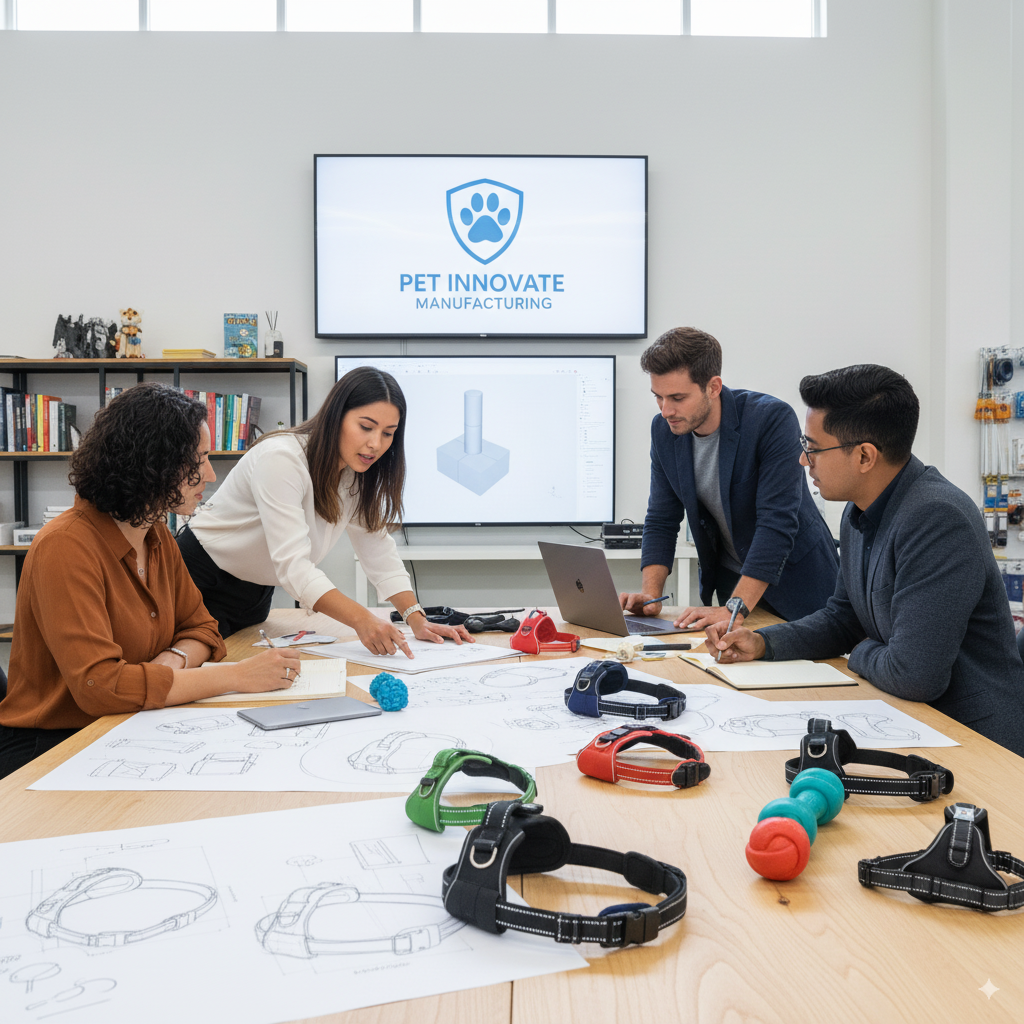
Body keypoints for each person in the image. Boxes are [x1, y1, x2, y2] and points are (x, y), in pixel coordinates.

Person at [707, 364, 1024, 756]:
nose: (804, 462)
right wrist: (762, 643)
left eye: (812, 448)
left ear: (864, 456)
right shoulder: (859, 511)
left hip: (978, 743)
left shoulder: (938, 518)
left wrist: (858, 650)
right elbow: (843, 618)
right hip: (914, 723)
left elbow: (915, 676)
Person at [0, 384, 300, 780]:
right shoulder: (65, 546)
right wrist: (233, 677)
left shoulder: (154, 533)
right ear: (153, 464)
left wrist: (169, 666)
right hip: (53, 746)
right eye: (199, 459)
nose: (209, 474)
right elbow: (101, 687)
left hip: (130, 722)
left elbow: (203, 629)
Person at [177, 366, 472, 657]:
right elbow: (294, 565)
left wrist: (417, 620)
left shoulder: (356, 473)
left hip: (255, 594)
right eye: (366, 427)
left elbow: (378, 550)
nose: (375, 444)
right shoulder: (282, 459)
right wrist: (362, 620)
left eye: (388, 433)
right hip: (199, 581)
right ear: (336, 416)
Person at [620, 327, 839, 629]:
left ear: (713, 386)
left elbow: (776, 522)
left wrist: (735, 608)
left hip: (797, 583)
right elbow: (661, 517)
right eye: (658, 397)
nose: (666, 410)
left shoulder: (771, 420)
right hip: (732, 584)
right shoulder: (664, 431)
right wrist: (650, 596)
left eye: (677, 397)